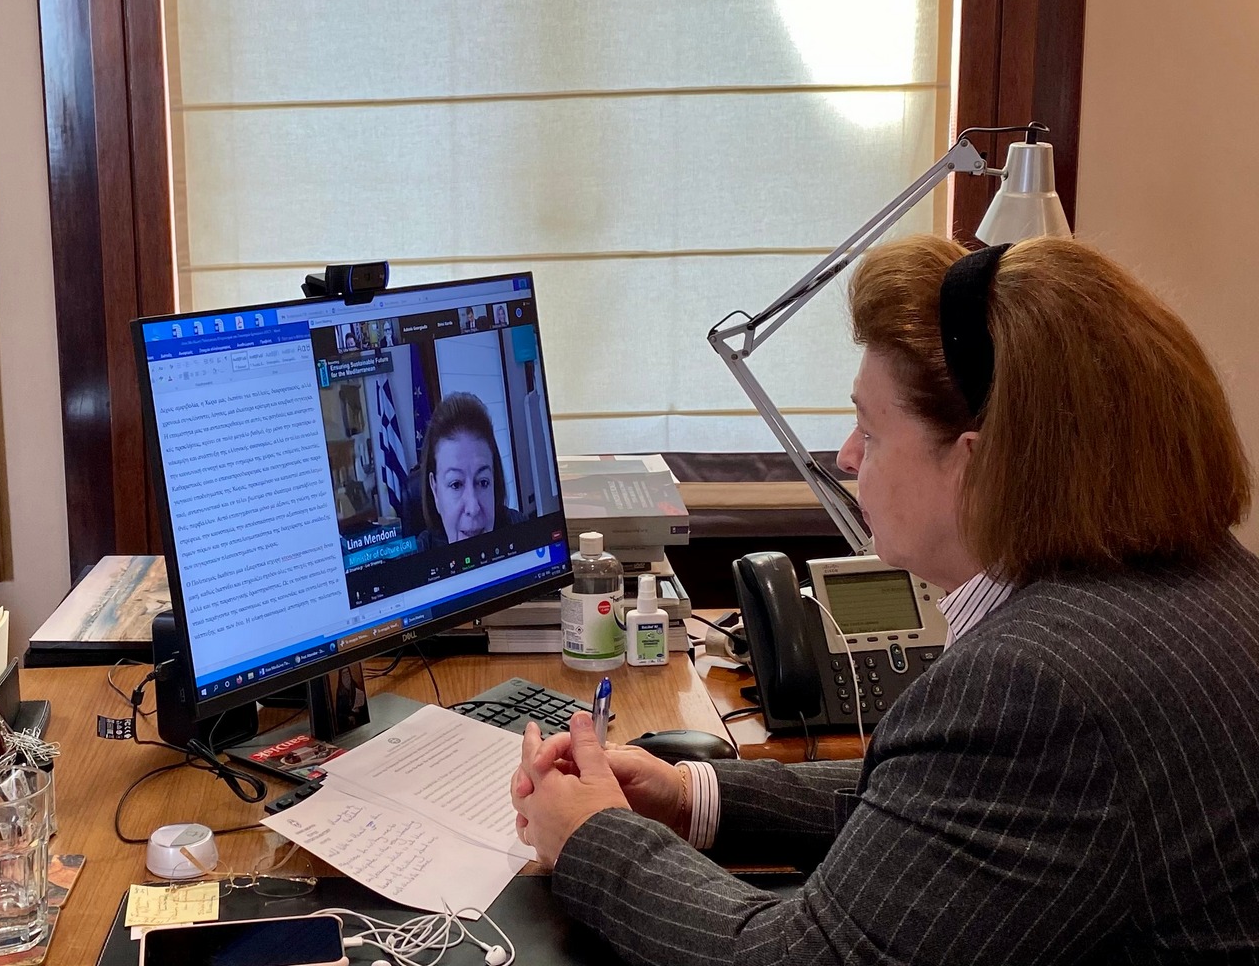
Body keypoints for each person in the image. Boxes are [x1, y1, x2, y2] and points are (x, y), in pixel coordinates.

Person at [512, 235, 1259, 964]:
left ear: (978, 467)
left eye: (870, 431)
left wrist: (590, 837)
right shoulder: (1208, 585)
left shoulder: (1039, 684)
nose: (847, 456)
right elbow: (944, 812)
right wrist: (690, 794)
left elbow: (798, 957)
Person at [418, 392, 519, 545]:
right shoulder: (421, 551)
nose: (473, 508)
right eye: (456, 484)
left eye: (483, 482)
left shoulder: (518, 529)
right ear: (435, 490)